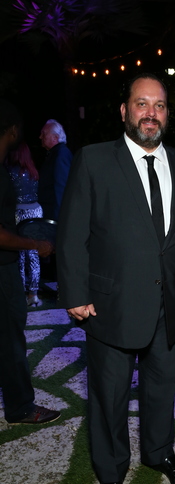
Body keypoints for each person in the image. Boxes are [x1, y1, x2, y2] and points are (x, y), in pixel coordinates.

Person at [56, 73, 175, 484]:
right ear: (124, 111)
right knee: (110, 395)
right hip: (109, 305)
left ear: (166, 114)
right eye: (141, 104)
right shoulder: (94, 160)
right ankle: (110, 473)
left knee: (164, 388)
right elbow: (71, 236)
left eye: (159, 105)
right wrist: (75, 292)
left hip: (169, 306)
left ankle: (159, 453)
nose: (150, 113)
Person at [0, 98, 61, 425]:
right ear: (11, 130)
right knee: (11, 340)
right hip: (4, 267)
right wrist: (34, 243)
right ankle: (21, 407)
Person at [6, 141, 43, 306]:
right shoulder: (33, 171)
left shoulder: (11, 172)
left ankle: (20, 292)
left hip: (19, 213)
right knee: (34, 254)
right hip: (35, 211)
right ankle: (33, 294)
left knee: (20, 254)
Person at [38, 119, 73, 221]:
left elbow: (61, 188)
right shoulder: (56, 154)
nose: (40, 137)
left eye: (44, 134)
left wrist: (58, 219)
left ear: (55, 137)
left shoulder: (60, 155)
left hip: (54, 215)